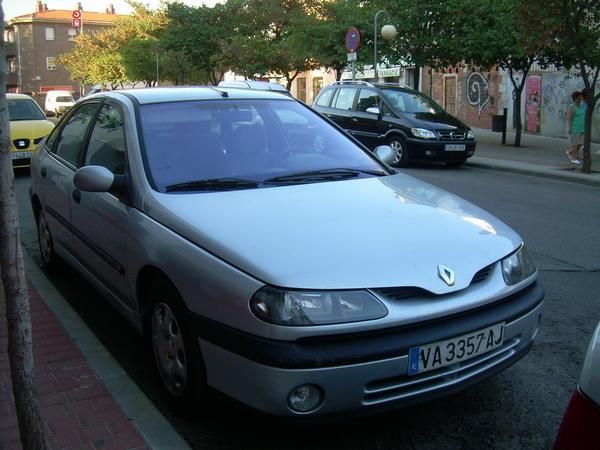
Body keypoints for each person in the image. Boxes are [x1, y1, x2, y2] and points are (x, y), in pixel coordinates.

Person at [565, 91, 585, 164]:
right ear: (575, 98)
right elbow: (569, 118)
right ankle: (573, 158)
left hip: (581, 129)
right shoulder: (572, 107)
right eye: (579, 98)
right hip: (574, 128)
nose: (581, 99)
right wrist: (570, 128)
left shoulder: (580, 106)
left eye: (581, 97)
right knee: (575, 144)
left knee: (580, 144)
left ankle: (571, 153)